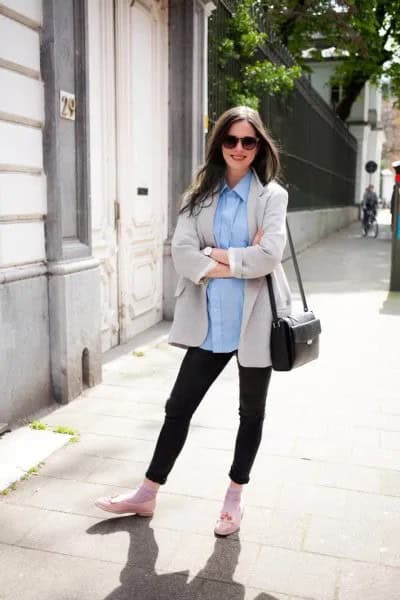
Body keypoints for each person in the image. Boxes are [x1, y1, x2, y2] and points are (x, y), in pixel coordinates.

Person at [95, 106, 292, 537]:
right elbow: (182, 254)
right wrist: (239, 258)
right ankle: (147, 493)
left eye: (248, 141)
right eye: (231, 140)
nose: (239, 149)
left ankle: (234, 497)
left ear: (259, 147)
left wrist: (216, 254)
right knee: (177, 408)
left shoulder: (272, 197)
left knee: (251, 413)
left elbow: (270, 256)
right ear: (219, 143)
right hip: (210, 321)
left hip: (257, 319)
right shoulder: (197, 197)